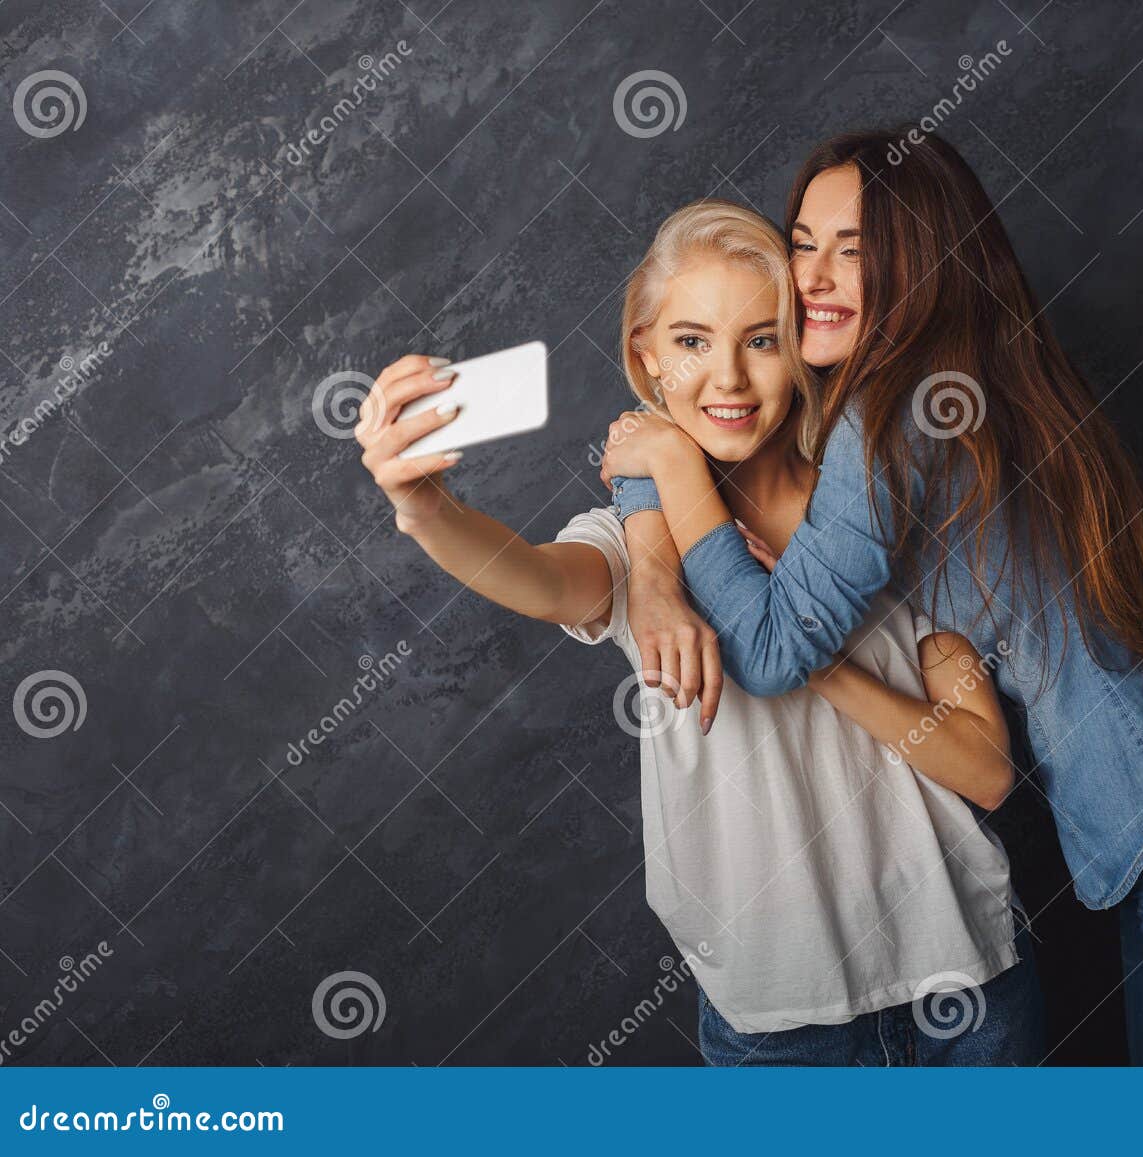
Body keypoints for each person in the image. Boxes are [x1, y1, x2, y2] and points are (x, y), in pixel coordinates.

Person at [601, 130, 1143, 1066]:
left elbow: (765, 643)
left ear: (920, 264)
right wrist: (651, 535)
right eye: (803, 242)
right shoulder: (931, 387)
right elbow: (679, 419)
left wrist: (667, 464)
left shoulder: (887, 423)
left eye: (858, 248)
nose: (818, 277)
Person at [355, 199, 1045, 1065]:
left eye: (761, 339)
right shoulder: (641, 546)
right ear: (645, 356)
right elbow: (537, 582)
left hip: (962, 984)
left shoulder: (874, 504)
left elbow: (986, 771)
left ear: (801, 347)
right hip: (780, 1029)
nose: (728, 378)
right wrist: (425, 508)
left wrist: (805, 657)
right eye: (691, 342)